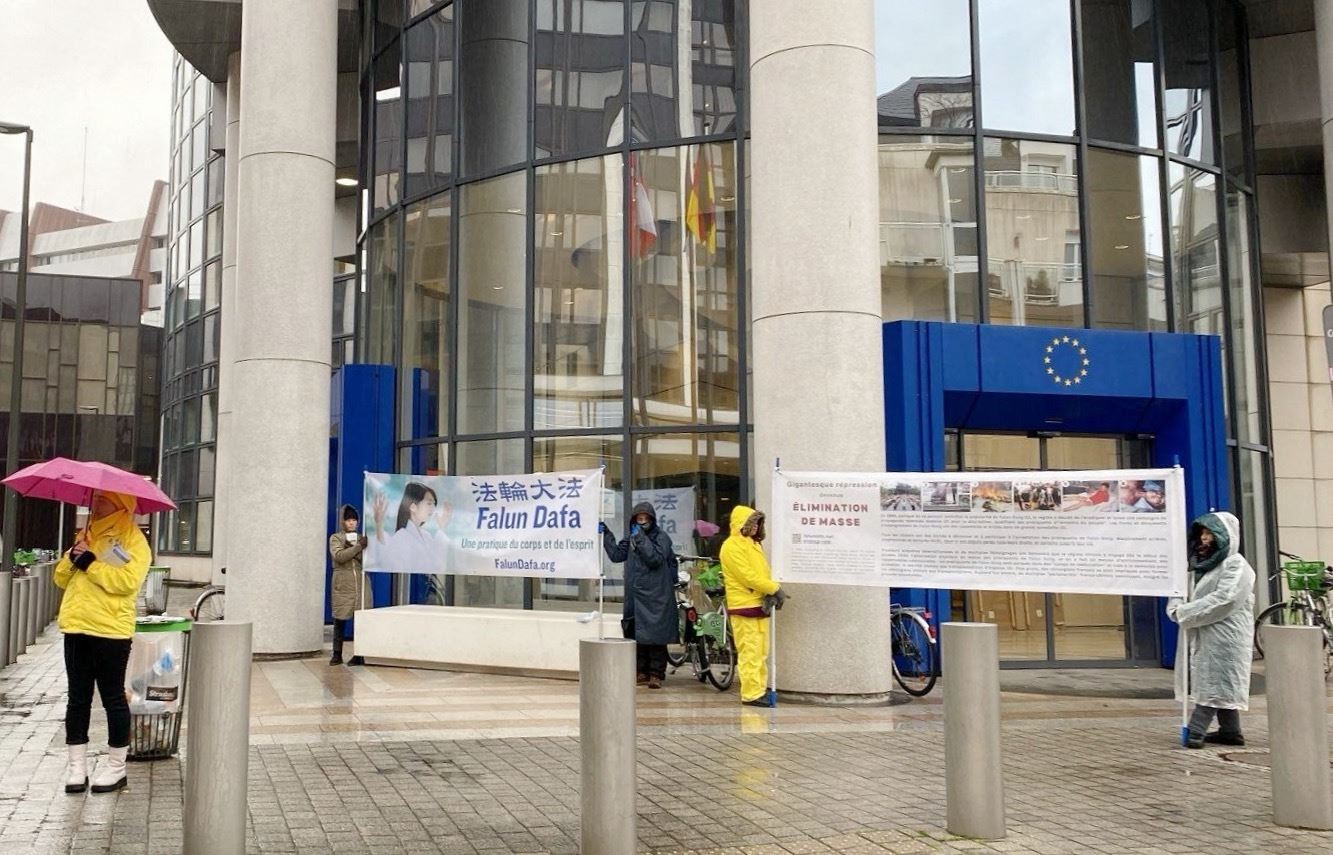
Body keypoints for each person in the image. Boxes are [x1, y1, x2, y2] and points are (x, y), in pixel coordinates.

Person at [54, 490, 151, 795]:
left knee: (112, 698)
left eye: (104, 500)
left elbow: (127, 582)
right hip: (76, 625)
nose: (96, 503)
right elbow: (60, 579)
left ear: (121, 503)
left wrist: (90, 564)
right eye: (95, 499)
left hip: (111, 630)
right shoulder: (86, 534)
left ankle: (116, 767)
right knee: (77, 698)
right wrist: (72, 558)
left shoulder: (133, 540)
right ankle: (77, 768)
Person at [1168, 511, 1255, 749]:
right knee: (1218, 682)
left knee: (1214, 683)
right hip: (1200, 633)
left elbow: (1225, 599)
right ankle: (1230, 731)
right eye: (1202, 533)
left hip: (1225, 637)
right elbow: (1179, 592)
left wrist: (1185, 613)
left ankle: (1196, 732)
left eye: (1210, 533)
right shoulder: (1197, 567)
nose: (1204, 538)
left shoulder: (1236, 565)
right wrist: (1175, 608)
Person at [602, 502, 676, 688]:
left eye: (645, 518)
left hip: (656, 595)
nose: (642, 522)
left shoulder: (661, 537)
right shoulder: (632, 537)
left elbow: (655, 559)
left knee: (656, 636)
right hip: (636, 595)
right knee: (637, 633)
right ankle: (641, 672)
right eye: (639, 519)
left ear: (652, 519)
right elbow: (616, 555)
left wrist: (640, 538)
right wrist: (607, 535)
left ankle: (656, 674)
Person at [721, 505, 786, 708]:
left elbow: (761, 574)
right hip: (744, 605)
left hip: (758, 604)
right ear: (742, 524)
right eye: (753, 523)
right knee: (750, 651)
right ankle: (751, 693)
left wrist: (770, 592)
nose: (756, 527)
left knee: (760, 652)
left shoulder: (754, 545)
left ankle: (758, 689)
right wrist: (773, 588)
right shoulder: (731, 546)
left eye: (758, 523)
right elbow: (747, 576)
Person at [371, 482, 449, 573]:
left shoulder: (426, 536)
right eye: (429, 503)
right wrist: (379, 525)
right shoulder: (401, 537)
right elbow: (389, 564)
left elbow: (438, 566)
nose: (432, 508)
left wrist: (442, 528)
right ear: (413, 507)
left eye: (434, 504)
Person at [329, 504, 372, 666]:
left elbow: (366, 560)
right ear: (343, 522)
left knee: (360, 620)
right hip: (343, 583)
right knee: (340, 619)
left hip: (360, 582)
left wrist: (359, 547)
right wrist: (358, 547)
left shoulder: (362, 538)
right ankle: (337, 654)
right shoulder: (336, 538)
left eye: (354, 520)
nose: (352, 523)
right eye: (348, 520)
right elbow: (339, 556)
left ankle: (359, 655)